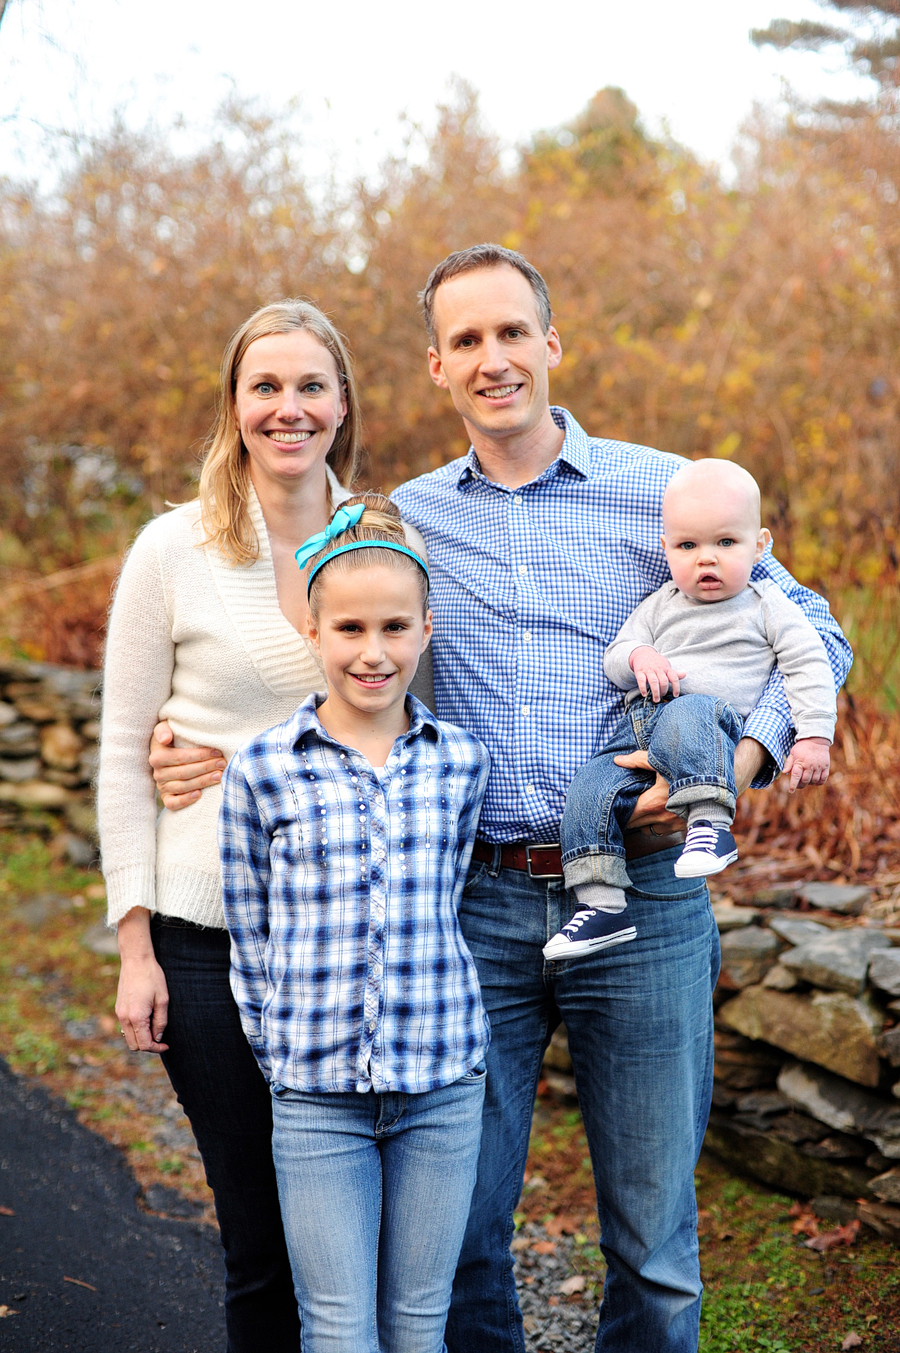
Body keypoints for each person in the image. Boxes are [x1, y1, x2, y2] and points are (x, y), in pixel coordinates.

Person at [150, 246, 852, 1353]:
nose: (493, 359)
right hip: (472, 908)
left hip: (647, 896)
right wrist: (201, 740)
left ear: (551, 343)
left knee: (655, 1244)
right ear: (436, 366)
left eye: (512, 332)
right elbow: (325, 641)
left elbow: (813, 629)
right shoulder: (415, 515)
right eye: (466, 341)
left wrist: (740, 766)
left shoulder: (664, 491)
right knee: (464, 1236)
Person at [97, 298, 365, 1352]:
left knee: (346, 1242)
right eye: (266, 386)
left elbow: (396, 724)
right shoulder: (174, 550)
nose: (288, 407)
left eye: (310, 385)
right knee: (261, 1241)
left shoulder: (385, 537)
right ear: (234, 404)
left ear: (343, 402)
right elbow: (126, 751)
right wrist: (134, 943)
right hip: (204, 938)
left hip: (349, 937)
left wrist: (240, 757)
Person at [219, 494, 490, 1353]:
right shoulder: (263, 768)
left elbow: (456, 895)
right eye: (350, 629)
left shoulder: (460, 763)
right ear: (312, 629)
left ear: (425, 629)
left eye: (394, 628)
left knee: (418, 1323)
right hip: (317, 1096)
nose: (373, 652)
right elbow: (250, 934)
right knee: (338, 1326)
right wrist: (288, 1057)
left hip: (441, 1084)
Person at [543, 457, 836, 961]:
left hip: (710, 722)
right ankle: (600, 902)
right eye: (688, 546)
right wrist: (640, 655)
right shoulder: (661, 603)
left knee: (688, 710)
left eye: (726, 544)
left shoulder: (766, 603)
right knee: (591, 785)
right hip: (640, 732)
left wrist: (812, 735)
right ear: (667, 549)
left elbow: (809, 663)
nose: (706, 560)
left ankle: (710, 825)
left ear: (760, 545)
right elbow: (618, 652)